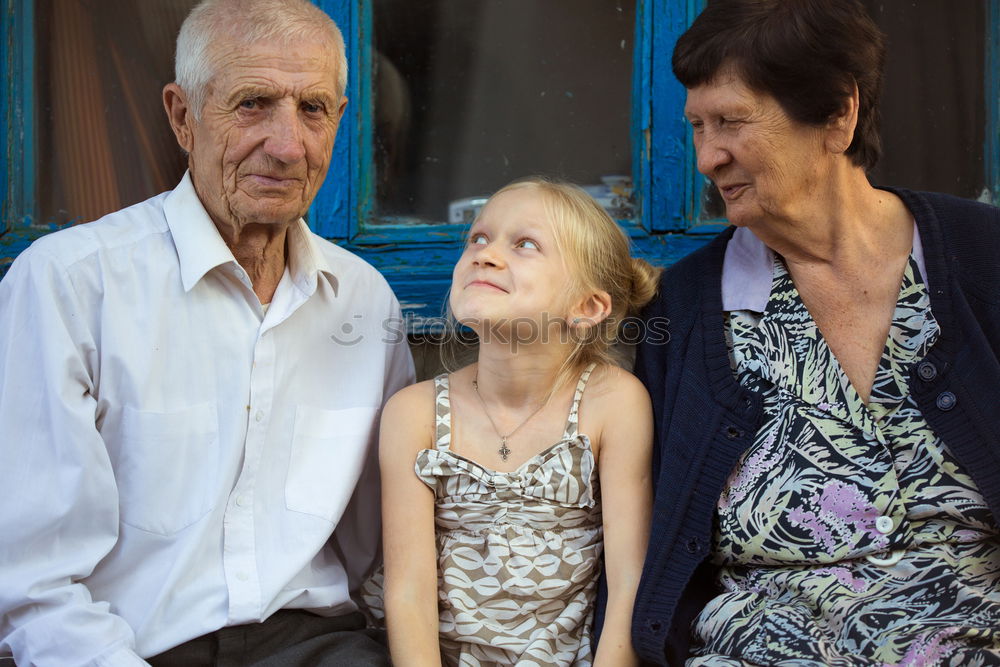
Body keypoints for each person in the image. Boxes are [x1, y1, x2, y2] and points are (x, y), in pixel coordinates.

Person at [0, 0, 414, 664]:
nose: (287, 147)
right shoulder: (69, 285)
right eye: (253, 103)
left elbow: (383, 549)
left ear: (338, 122)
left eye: (312, 110)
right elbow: (33, 585)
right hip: (130, 647)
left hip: (319, 643)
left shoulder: (363, 299)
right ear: (181, 115)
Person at [630, 0, 1000, 664]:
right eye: (696, 126)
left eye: (731, 122)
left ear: (838, 112)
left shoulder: (984, 260)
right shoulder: (683, 309)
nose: (708, 157)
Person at [373, 178, 657, 666]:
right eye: (478, 238)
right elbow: (408, 594)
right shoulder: (414, 413)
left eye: (525, 244)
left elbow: (630, 584)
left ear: (587, 307)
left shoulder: (611, 404)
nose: (485, 254)